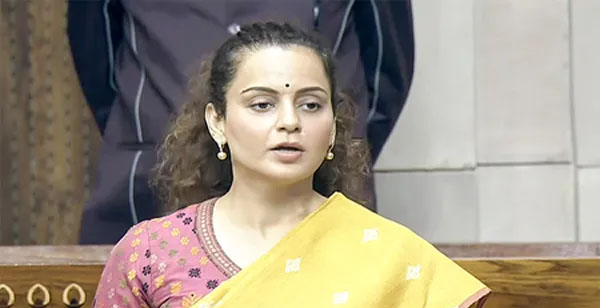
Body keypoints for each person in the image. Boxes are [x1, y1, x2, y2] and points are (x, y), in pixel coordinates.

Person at [79, 22, 490, 308]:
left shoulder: (394, 260)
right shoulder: (149, 252)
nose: (290, 121)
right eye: (262, 104)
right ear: (217, 121)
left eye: (311, 105)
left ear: (333, 126)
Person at [67, 0, 415, 245]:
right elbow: (96, 53)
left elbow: (386, 68)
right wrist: (155, 136)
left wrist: (327, 150)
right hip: (148, 183)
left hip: (320, 200)